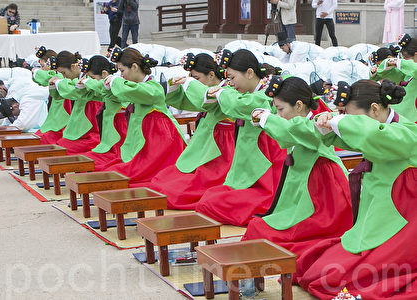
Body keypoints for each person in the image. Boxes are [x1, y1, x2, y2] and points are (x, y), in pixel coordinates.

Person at [296, 79, 417, 299]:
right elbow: (356, 136)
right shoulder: (380, 127)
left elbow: (371, 134)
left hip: (403, 223)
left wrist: (340, 121)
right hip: (376, 214)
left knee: (336, 277)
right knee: (317, 269)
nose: (350, 122)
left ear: (374, 109)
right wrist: (326, 124)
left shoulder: (407, 132)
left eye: (353, 117)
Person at [242, 76, 352, 259]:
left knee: (261, 231)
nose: (278, 115)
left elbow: (288, 131)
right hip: (309, 199)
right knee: (258, 228)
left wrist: (266, 119)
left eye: (280, 109)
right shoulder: (305, 124)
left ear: (299, 105)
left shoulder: (313, 126)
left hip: (325, 203)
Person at [195, 49, 287, 227]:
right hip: (249, 171)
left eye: (232, 78)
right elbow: (224, 104)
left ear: (250, 73)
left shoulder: (264, 97)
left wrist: (221, 92)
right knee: (209, 197)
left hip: (267, 176)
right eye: (228, 79)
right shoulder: (246, 95)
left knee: (210, 203)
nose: (230, 83)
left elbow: (240, 105)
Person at [150, 53, 235, 210]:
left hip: (219, 153)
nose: (194, 82)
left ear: (211, 75)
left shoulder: (226, 92)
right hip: (204, 147)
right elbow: (188, 101)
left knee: (179, 192)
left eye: (197, 78)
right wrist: (175, 88)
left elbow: (204, 99)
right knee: (161, 182)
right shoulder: (208, 91)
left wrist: (190, 84)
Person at [103, 48, 186, 187]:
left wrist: (114, 82)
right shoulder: (138, 87)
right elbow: (121, 92)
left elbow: (129, 90)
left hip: (160, 146)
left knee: (123, 176)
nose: (121, 76)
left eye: (122, 71)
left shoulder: (152, 88)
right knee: (112, 172)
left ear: (134, 67)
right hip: (148, 145)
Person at [72, 55, 128, 171]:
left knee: (95, 163)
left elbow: (100, 87)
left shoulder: (114, 85)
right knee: (84, 158)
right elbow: (97, 91)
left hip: (117, 139)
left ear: (104, 74)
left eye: (92, 77)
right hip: (109, 138)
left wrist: (87, 82)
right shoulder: (107, 86)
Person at [46, 51, 102, 154]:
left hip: (90, 133)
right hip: (78, 131)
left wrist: (58, 82)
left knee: (58, 150)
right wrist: (54, 85)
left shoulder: (87, 80)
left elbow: (73, 91)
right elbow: (61, 95)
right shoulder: (77, 80)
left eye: (63, 73)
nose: (64, 76)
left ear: (73, 66)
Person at [0, 3, 20, 67]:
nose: (11, 13)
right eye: (9, 11)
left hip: (10, 32)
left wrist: (14, 25)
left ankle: (11, 62)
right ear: (7, 9)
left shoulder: (16, 15)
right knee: (0, 46)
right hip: (1, 30)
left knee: (10, 46)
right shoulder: (3, 10)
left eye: (13, 12)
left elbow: (17, 23)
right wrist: (2, 18)